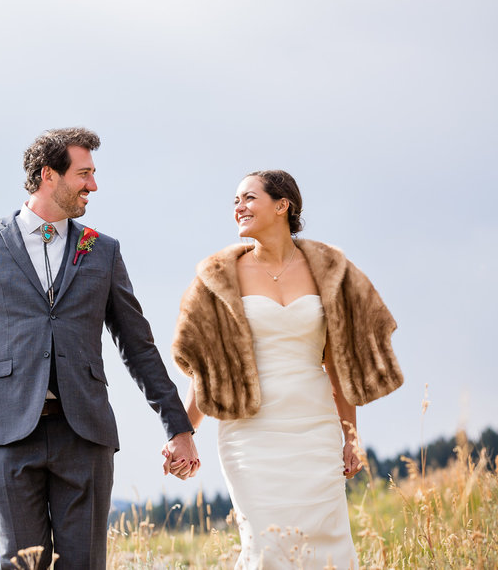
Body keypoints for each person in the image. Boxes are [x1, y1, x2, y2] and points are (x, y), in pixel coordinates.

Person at [0, 128, 200, 569]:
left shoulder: (102, 250)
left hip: (85, 435)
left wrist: (178, 427)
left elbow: (138, 345)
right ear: (48, 175)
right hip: (7, 435)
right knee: (21, 564)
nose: (93, 185)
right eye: (84, 173)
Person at [170, 170, 403, 570]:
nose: (238, 208)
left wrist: (351, 437)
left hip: (315, 430)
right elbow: (207, 371)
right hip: (249, 433)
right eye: (235, 202)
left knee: (325, 546)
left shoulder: (328, 270)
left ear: (283, 205)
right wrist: (182, 434)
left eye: (248, 198)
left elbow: (339, 363)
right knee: (267, 546)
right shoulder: (219, 278)